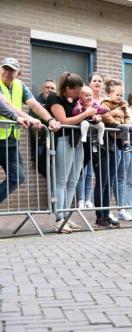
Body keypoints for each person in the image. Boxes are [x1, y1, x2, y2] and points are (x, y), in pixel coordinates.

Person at [0, 57, 61, 205]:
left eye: (11, 70)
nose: (7, 72)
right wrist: (24, 118)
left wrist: (50, 120)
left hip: (10, 140)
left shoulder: (20, 86)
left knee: (17, 177)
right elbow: (4, 104)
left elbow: (34, 104)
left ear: (18, 73)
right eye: (5, 68)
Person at [45, 72, 88, 233]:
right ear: (67, 88)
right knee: (61, 181)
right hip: (63, 140)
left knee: (73, 181)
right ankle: (59, 218)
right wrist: (86, 114)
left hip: (77, 142)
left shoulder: (76, 100)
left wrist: (93, 118)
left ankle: (66, 218)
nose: (79, 94)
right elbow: (63, 121)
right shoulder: (54, 99)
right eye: (76, 91)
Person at [75, 73, 104, 210]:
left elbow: (103, 112)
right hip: (83, 141)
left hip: (94, 143)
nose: (97, 83)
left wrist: (100, 117)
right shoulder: (80, 103)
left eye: (100, 81)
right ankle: (80, 199)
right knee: (81, 172)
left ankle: (88, 199)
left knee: (90, 173)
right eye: (94, 80)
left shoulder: (98, 102)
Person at [100, 79, 132, 153]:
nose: (119, 97)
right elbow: (105, 116)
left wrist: (127, 123)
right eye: (117, 95)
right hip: (111, 125)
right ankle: (126, 145)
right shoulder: (105, 103)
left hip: (121, 126)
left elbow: (127, 116)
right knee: (124, 127)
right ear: (110, 94)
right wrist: (116, 123)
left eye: (121, 96)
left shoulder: (123, 105)